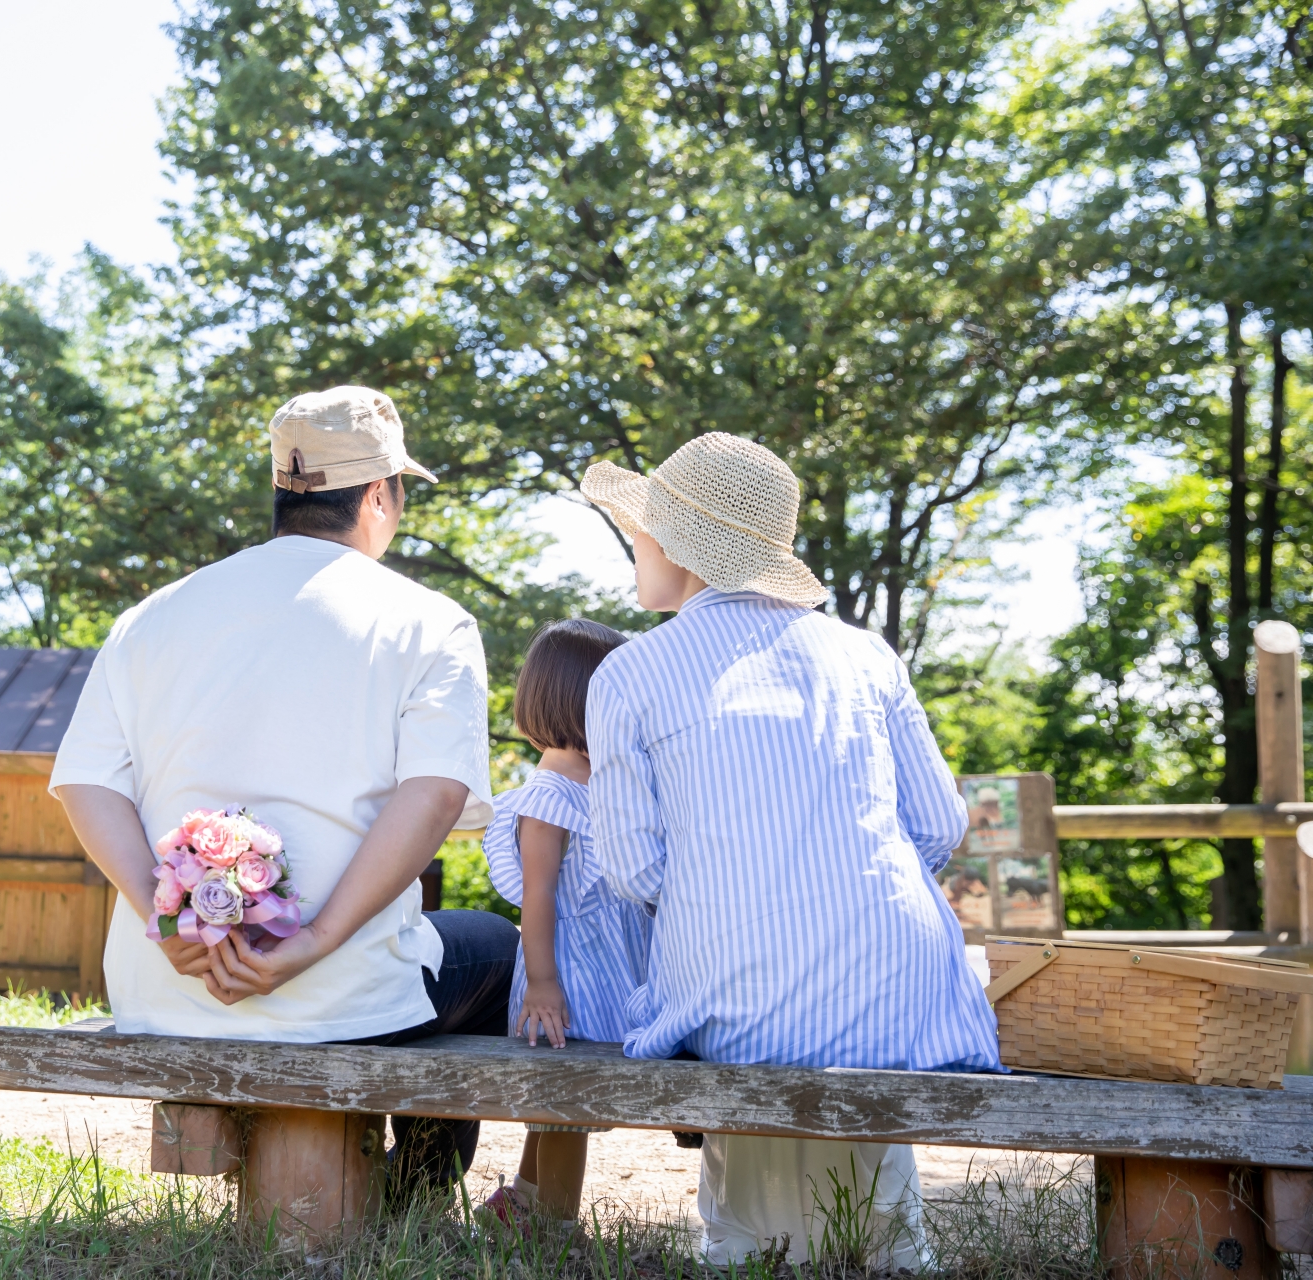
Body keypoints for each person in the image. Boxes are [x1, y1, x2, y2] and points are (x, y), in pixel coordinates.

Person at [50, 385, 518, 1197]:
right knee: (498, 949)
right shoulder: (430, 621)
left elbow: (85, 782)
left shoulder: (153, 614)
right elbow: (437, 797)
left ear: (283, 491)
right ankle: (418, 1192)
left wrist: (172, 928)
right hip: (345, 995)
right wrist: (314, 941)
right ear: (380, 494)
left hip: (166, 988)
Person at [579, 432, 1000, 1268]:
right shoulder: (866, 653)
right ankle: (882, 1248)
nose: (634, 547)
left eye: (640, 532)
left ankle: (746, 1250)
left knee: (750, 1002)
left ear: (679, 547)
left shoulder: (630, 672)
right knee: (836, 1012)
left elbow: (632, 870)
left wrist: (738, 894)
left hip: (736, 999)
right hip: (900, 998)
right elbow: (940, 826)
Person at [476, 618, 652, 1223]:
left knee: (560, 1102)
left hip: (600, 965)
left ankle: (520, 1198)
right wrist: (545, 981)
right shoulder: (549, 795)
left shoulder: (599, 784)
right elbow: (539, 895)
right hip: (568, 972)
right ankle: (554, 1224)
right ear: (588, 701)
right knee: (568, 1106)